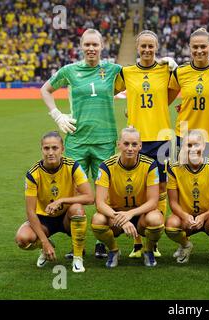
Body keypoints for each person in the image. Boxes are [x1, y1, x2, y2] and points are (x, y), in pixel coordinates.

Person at [41, 28, 122, 259]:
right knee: (73, 193)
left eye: (95, 44)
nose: (91, 48)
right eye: (87, 44)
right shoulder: (70, 71)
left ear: (102, 46)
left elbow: (139, 78)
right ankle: (77, 244)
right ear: (81, 46)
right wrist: (57, 115)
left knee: (103, 196)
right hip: (76, 140)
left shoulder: (113, 69)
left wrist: (167, 63)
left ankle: (102, 242)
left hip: (105, 141)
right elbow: (45, 90)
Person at [115, 30, 178, 259]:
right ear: (137, 48)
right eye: (143, 46)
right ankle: (137, 243)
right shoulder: (127, 72)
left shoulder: (165, 70)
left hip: (161, 138)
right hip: (136, 140)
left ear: (157, 47)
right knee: (138, 190)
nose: (147, 50)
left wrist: (176, 67)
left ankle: (154, 241)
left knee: (160, 188)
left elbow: (175, 92)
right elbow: (108, 91)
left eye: (151, 46)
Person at [15, 131, 94, 273]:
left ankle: (77, 258)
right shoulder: (33, 173)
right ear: (41, 149)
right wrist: (44, 242)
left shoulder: (73, 166)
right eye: (46, 148)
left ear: (62, 149)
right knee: (22, 239)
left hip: (66, 217)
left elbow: (89, 197)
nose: (50, 152)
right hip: (43, 220)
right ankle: (45, 245)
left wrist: (62, 200)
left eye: (54, 148)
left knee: (77, 209)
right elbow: (30, 211)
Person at [91, 127, 164, 268]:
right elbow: (99, 203)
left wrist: (130, 214)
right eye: (126, 144)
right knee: (98, 220)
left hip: (142, 214)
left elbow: (153, 201)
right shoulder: (106, 166)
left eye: (134, 144)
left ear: (140, 146)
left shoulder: (150, 165)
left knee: (156, 219)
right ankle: (114, 250)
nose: (130, 148)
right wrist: (122, 219)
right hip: (116, 216)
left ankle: (148, 250)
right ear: (119, 144)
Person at [168, 28, 209, 165]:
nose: (199, 50)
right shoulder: (180, 72)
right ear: (189, 48)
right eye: (195, 47)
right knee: (180, 180)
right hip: (184, 134)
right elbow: (165, 99)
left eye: (203, 46)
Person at [165, 130, 209, 264]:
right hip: (186, 217)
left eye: (196, 145)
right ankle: (185, 245)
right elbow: (173, 203)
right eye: (189, 145)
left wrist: (203, 216)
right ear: (183, 147)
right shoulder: (174, 169)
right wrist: (184, 216)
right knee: (171, 225)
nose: (193, 149)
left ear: (203, 146)